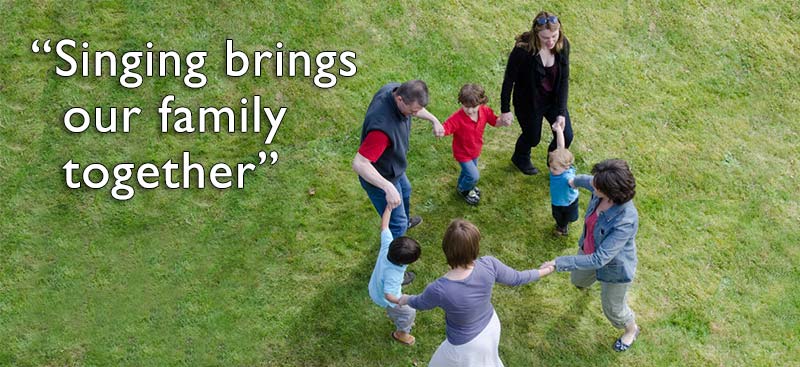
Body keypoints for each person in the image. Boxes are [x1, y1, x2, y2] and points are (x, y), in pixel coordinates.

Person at [397, 219, 554, 366]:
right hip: (491, 326)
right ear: (475, 248)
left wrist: (405, 299)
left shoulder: (439, 288)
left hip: (465, 346)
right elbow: (518, 278)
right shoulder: (489, 264)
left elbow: (420, 303)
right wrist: (545, 270)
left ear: (446, 249)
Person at [541, 159, 640, 352]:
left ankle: (631, 329)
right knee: (578, 280)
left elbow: (599, 259)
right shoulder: (601, 188)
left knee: (613, 309)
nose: (592, 185)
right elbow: (589, 181)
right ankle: (589, 282)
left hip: (613, 268)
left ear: (611, 193)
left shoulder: (625, 219)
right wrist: (574, 180)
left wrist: (558, 262)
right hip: (588, 251)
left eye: (597, 186)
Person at [353, 80, 444, 284]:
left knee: (406, 191)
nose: (414, 114)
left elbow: (417, 109)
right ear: (400, 99)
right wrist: (386, 187)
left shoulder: (393, 89)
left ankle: (404, 221)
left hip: (394, 168)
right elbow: (359, 163)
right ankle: (392, 270)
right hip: (380, 177)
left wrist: (433, 120)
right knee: (396, 223)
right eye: (412, 112)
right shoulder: (381, 130)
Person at [500, 11, 572, 175]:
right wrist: (505, 110)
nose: (551, 41)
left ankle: (554, 163)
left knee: (566, 135)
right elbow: (508, 80)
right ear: (536, 33)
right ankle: (520, 156)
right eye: (545, 37)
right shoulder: (523, 51)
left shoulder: (562, 45)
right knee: (532, 137)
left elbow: (564, 80)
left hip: (552, 100)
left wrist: (561, 112)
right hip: (529, 102)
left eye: (554, 35)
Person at [441, 84, 509, 205]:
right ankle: (464, 189)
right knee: (474, 176)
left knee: (467, 173)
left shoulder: (485, 111)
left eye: (474, 107)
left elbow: (495, 122)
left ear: (481, 102)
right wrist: (439, 130)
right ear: (461, 102)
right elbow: (445, 128)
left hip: (475, 150)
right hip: (462, 153)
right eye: (466, 106)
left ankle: (462, 185)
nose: (470, 110)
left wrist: (503, 122)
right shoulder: (457, 118)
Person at [369, 207, 421, 345]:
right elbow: (388, 295)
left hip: (375, 285)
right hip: (385, 298)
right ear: (403, 263)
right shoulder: (394, 275)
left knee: (405, 311)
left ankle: (402, 321)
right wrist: (404, 300)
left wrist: (388, 207)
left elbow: (384, 226)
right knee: (409, 312)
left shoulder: (387, 245)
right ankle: (401, 333)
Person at [548, 120, 578, 235]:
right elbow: (561, 145)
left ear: (566, 167)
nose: (551, 170)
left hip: (568, 202)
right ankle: (561, 225)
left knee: (569, 217)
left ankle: (563, 228)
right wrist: (559, 130)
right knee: (557, 216)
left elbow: (574, 182)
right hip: (557, 200)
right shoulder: (558, 164)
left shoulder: (568, 178)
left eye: (554, 169)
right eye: (551, 167)